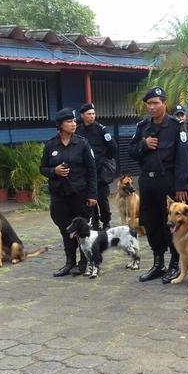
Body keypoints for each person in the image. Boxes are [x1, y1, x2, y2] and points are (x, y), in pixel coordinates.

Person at [129, 87, 188, 284]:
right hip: (147, 181)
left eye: (156, 103)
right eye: (149, 103)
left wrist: (182, 186)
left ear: (165, 104)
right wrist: (143, 145)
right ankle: (158, 263)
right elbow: (132, 151)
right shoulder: (142, 126)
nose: (152, 107)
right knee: (151, 222)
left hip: (168, 183)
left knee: (170, 223)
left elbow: (184, 158)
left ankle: (175, 263)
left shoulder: (176, 126)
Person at [40, 108, 97, 277]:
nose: (73, 124)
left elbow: (91, 170)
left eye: (74, 121)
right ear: (60, 125)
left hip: (79, 193)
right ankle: (69, 262)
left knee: (82, 230)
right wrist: (54, 171)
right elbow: (42, 168)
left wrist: (93, 195)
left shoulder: (82, 143)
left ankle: (83, 262)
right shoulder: (51, 145)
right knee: (66, 230)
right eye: (69, 122)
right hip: (59, 195)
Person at [76, 103, 118, 231]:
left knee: (102, 198)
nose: (92, 116)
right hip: (86, 171)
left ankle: (106, 221)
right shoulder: (78, 130)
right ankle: (94, 222)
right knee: (90, 197)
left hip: (99, 170)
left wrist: (105, 160)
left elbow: (113, 147)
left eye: (93, 113)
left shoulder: (101, 129)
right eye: (89, 114)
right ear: (82, 115)